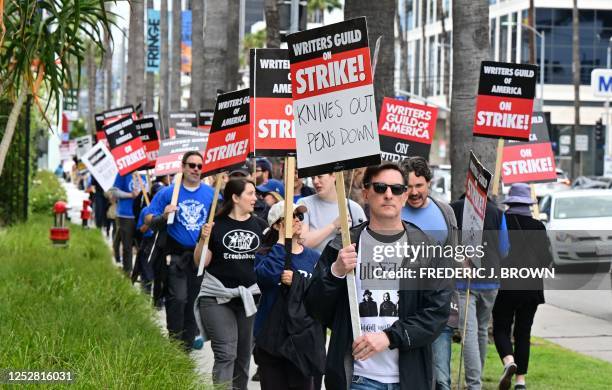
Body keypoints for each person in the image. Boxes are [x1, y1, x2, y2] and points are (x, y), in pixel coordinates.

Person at [305, 163, 452, 390]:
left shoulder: (426, 248)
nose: (389, 195)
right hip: (357, 378)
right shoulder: (343, 246)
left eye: (397, 189)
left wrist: (389, 337)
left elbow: (437, 313)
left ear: (404, 196)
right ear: (366, 193)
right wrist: (336, 273)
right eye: (380, 187)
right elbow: (316, 308)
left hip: (409, 378)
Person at [194, 178, 267, 390]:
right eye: (250, 194)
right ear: (235, 197)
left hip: (249, 299)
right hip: (217, 298)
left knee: (243, 356)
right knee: (226, 352)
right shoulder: (214, 225)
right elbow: (201, 263)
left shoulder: (261, 227)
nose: (255, 198)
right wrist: (202, 239)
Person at [146, 151, 215, 350]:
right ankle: (175, 342)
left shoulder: (211, 193)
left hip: (199, 256)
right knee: (178, 298)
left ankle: (187, 344)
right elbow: (148, 219)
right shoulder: (169, 192)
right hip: (175, 256)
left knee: (193, 301)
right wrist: (163, 215)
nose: (195, 169)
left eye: (199, 166)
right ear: (183, 167)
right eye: (191, 165)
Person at [400, 157, 458, 390]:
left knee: (441, 378)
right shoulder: (395, 211)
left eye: (419, 186)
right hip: (404, 308)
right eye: (409, 187)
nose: (414, 192)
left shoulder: (445, 212)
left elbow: (452, 254)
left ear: (429, 183)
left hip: (438, 307)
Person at [253, 201, 323, 390]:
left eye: (299, 216)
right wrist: (282, 240)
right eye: (291, 217)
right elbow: (266, 277)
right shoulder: (265, 254)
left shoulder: (313, 257)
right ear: (277, 225)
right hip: (271, 339)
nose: (297, 220)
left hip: (301, 340)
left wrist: (298, 281)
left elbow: (321, 293)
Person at [493, 183, 552, 390]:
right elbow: (547, 261)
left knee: (501, 327)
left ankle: (509, 361)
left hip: (505, 286)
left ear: (511, 202)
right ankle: (520, 381)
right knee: (523, 333)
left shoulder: (502, 223)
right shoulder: (538, 226)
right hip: (531, 288)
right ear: (528, 203)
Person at [451, 192, 509, 390]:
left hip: (463, 281)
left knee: (469, 332)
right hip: (491, 280)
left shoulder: (454, 209)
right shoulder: (498, 214)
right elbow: (504, 249)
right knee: (481, 331)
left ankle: (474, 384)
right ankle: (476, 380)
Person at [298, 173, 367, 254]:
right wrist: (333, 225)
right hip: (311, 265)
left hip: (345, 265)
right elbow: (302, 242)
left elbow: (365, 246)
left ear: (334, 176)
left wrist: (350, 234)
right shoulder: (304, 204)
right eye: (313, 178)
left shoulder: (354, 208)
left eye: (320, 176)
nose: (315, 181)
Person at [110, 173, 142, 274]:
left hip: (141, 214)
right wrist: (130, 195)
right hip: (125, 215)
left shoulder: (144, 172)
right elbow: (114, 192)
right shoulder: (123, 173)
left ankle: (140, 272)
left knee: (141, 246)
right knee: (127, 246)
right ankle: (127, 271)